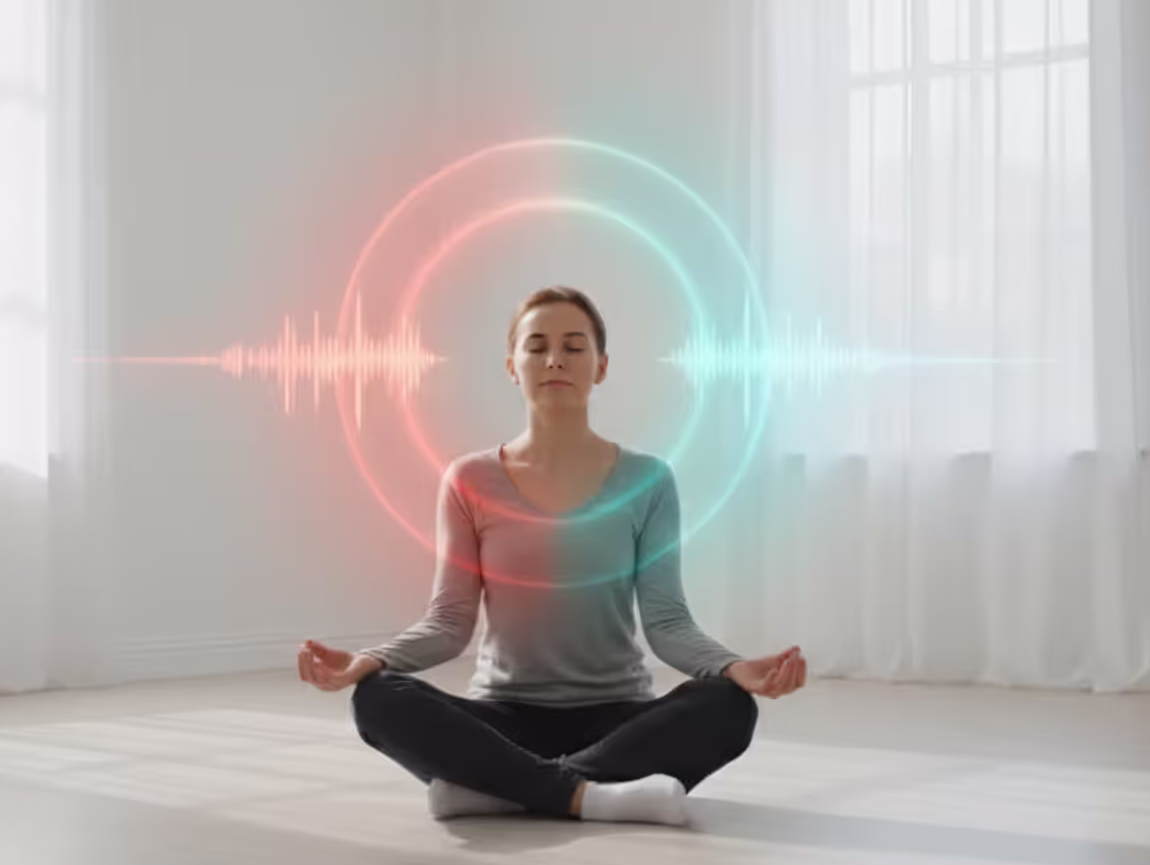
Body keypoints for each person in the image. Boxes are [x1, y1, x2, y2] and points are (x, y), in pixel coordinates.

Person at [297, 286, 806, 825]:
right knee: (377, 699)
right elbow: (449, 622)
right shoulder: (469, 480)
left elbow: (667, 621)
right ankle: (586, 794)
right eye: (536, 346)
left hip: (617, 719)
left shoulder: (648, 480)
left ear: (601, 366)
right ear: (513, 366)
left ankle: (501, 790)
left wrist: (732, 668)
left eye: (573, 346)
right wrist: (369, 661)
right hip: (503, 716)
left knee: (727, 706)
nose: (555, 359)